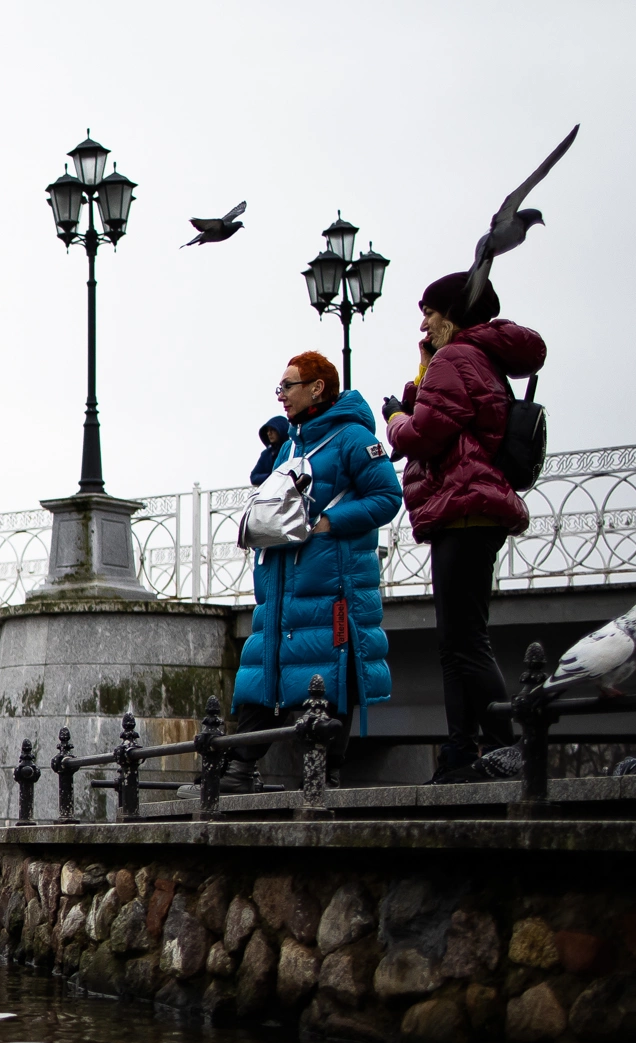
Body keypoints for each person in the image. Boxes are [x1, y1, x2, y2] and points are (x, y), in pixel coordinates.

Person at [383, 272, 546, 782]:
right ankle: (460, 751)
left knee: (465, 641)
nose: (423, 321)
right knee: (454, 642)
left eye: (429, 311)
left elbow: (425, 435)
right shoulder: (479, 360)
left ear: (450, 315)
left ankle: (506, 747)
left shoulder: (457, 359)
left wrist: (393, 418)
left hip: (465, 508)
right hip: (467, 508)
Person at [230, 352, 402, 790]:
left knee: (330, 677)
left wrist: (329, 523)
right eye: (280, 388)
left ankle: (324, 773)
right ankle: (236, 766)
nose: (281, 395)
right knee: (263, 671)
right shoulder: (290, 444)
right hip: (282, 584)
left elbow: (387, 496)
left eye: (288, 385)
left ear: (317, 388)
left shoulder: (352, 438)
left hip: (332, 586)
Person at [250, 415, 290, 486]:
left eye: (272, 430)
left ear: (281, 429)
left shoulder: (292, 449)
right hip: (271, 493)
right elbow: (254, 477)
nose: (269, 433)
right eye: (267, 431)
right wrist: (273, 476)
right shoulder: (266, 454)